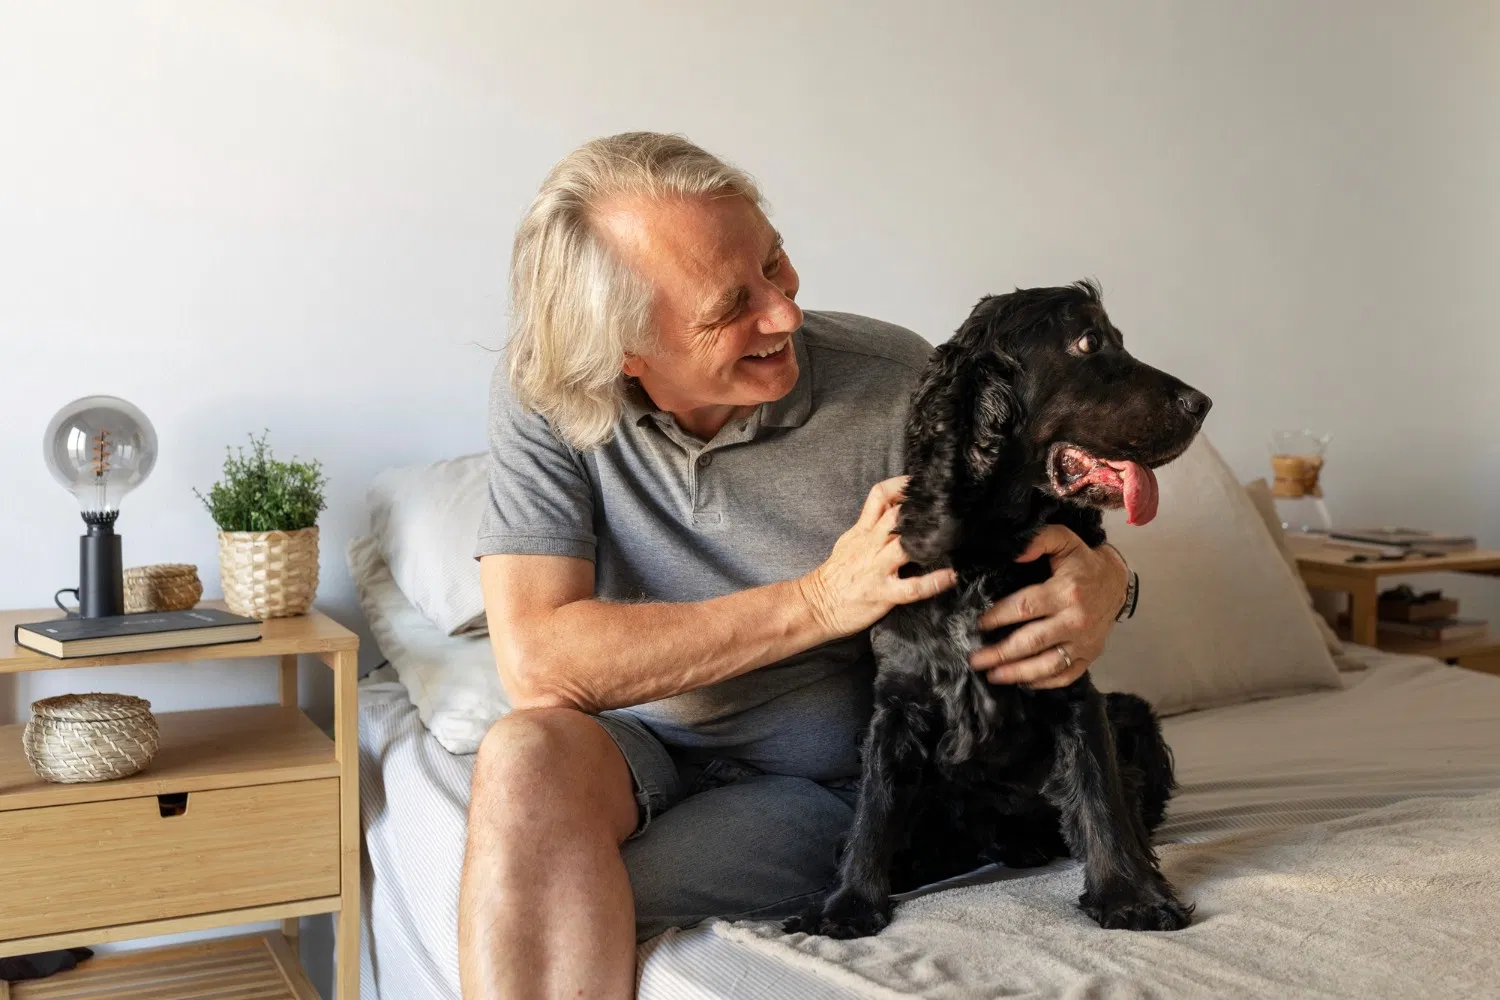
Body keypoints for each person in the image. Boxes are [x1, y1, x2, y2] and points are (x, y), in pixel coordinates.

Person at [458, 132, 1135, 1000]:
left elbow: (1057, 532)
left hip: (819, 781)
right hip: (627, 743)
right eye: (730, 305)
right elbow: (540, 663)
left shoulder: (898, 383)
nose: (784, 313)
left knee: (544, 900)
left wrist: (1111, 581)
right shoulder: (547, 391)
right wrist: (819, 601)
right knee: (521, 757)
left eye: (775, 261)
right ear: (623, 350)